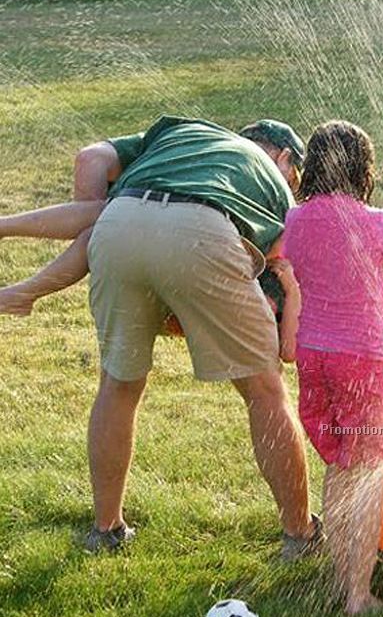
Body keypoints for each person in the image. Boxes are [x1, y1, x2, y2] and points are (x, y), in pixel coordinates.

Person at [0, 115, 321, 558]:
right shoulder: (278, 188)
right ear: (284, 158)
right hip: (205, 231)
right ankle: (300, 535)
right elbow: (272, 286)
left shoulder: (181, 131)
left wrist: (99, 233)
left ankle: (106, 530)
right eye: (295, 173)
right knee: (264, 390)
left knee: (119, 384)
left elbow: (90, 157)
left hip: (118, 224)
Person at [282, 120, 383, 615]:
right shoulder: (380, 224)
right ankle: (359, 593)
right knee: (370, 469)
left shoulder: (295, 223)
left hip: (314, 361)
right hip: (360, 365)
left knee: (338, 464)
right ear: (363, 170)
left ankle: (339, 578)